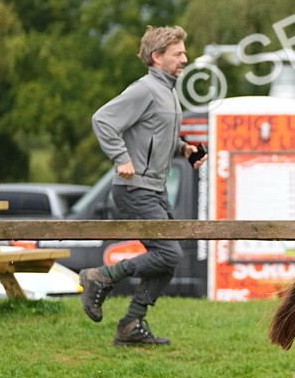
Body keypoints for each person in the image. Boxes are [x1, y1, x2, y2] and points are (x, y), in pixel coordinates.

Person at [80, 25, 205, 345]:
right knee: (169, 253)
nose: (184, 58)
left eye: (184, 52)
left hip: (154, 189)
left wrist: (183, 149)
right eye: (177, 54)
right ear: (156, 56)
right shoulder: (145, 89)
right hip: (134, 188)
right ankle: (99, 276)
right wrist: (120, 157)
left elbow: (153, 134)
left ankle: (131, 324)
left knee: (169, 258)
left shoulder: (168, 90)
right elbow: (102, 119)